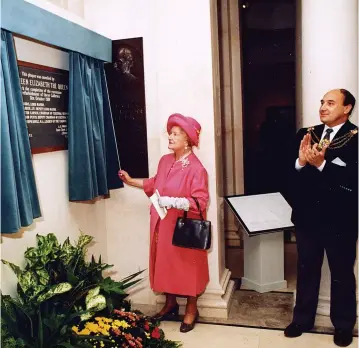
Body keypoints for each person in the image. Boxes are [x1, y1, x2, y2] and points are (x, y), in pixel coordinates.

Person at [118, 113, 209, 333]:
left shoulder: (197, 168)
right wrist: (131, 181)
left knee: (188, 269)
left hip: (184, 228)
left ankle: (191, 309)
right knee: (165, 265)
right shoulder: (165, 160)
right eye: (170, 132)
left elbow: (201, 201)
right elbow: (154, 183)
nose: (170, 136)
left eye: (176, 134)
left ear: (188, 140)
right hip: (162, 224)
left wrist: (174, 201)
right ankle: (170, 304)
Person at [285, 89, 358, 347]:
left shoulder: (355, 139)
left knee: (342, 274)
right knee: (305, 270)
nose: (323, 107)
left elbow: (353, 183)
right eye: (322, 102)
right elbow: (287, 177)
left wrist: (322, 166)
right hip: (307, 218)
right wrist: (301, 163)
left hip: (341, 222)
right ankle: (302, 320)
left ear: (347, 108)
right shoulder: (306, 135)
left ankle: (344, 325)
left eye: (330, 103)